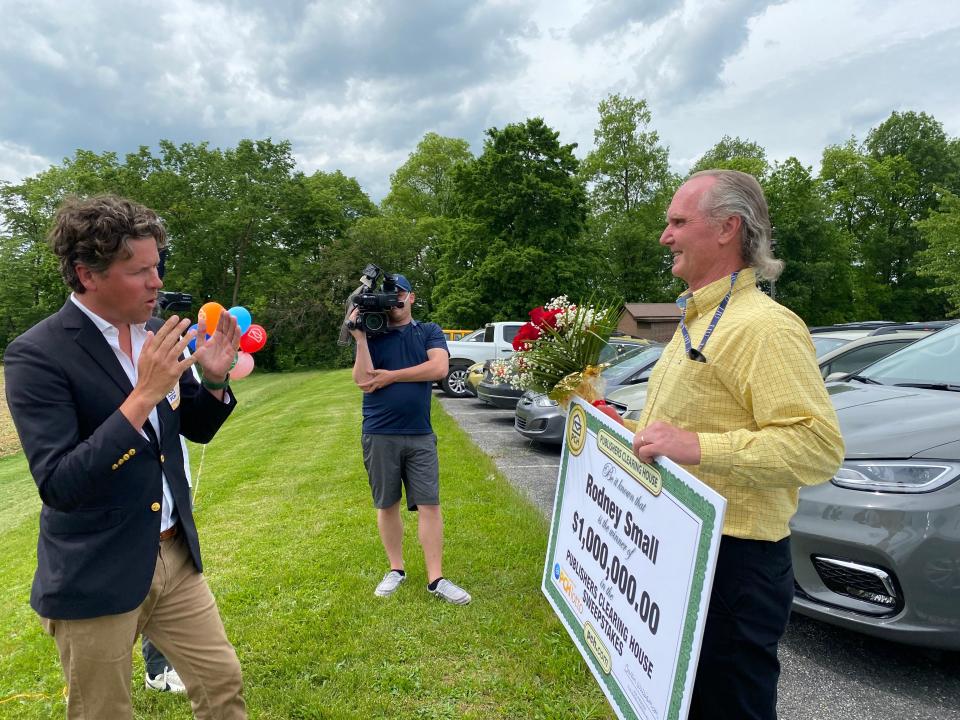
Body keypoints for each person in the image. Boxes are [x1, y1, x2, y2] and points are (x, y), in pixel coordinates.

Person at [3, 194, 247, 719]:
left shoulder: (161, 334)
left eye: (157, 266)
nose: (157, 282)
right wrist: (142, 397)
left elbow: (194, 428)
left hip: (174, 555)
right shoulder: (37, 355)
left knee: (222, 684)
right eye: (140, 272)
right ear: (87, 275)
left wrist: (216, 378)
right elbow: (61, 483)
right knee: (103, 712)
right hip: (96, 569)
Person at [632, 170, 844, 720]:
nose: (665, 236)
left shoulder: (765, 328)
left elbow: (817, 448)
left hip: (734, 563)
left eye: (678, 222)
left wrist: (698, 446)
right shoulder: (696, 319)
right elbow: (684, 422)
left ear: (727, 228)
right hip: (681, 547)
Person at [349, 274, 471, 605]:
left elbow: (438, 369)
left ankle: (436, 579)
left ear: (411, 297)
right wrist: (360, 339)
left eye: (399, 294)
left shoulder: (428, 331)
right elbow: (362, 380)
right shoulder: (373, 332)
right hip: (379, 432)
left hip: (419, 433)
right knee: (387, 503)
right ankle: (396, 570)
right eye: (388, 295)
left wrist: (391, 376)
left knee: (429, 504)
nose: (394, 300)